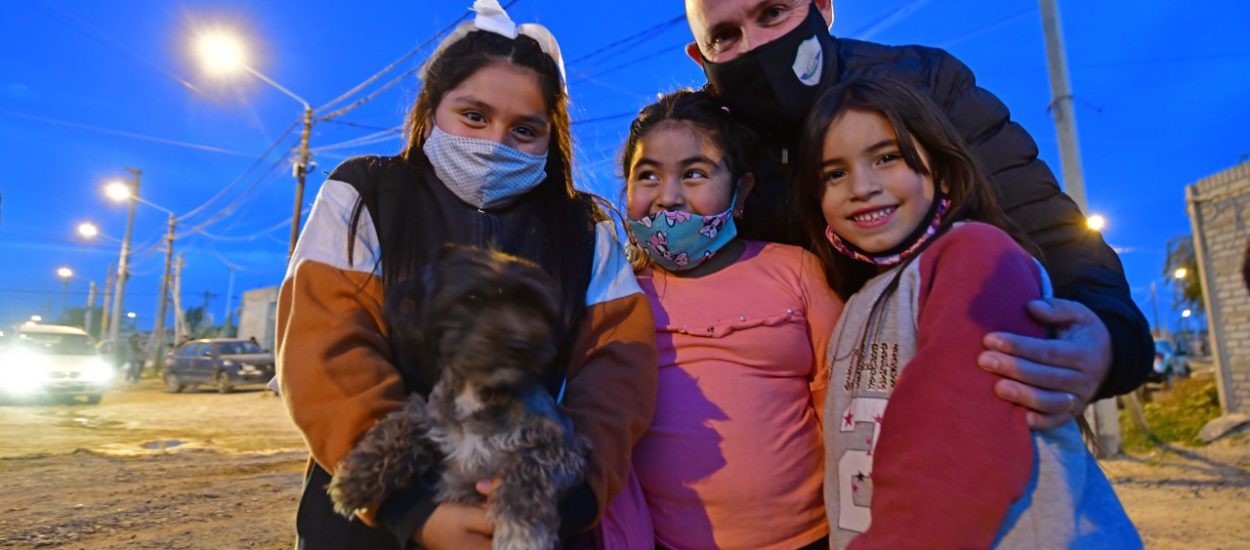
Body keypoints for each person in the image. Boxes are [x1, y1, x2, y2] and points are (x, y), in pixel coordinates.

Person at [275, 2, 657, 548]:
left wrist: (569, 495)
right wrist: (409, 505)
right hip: (373, 525)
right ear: (431, 110)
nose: (495, 144)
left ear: (552, 138)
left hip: (531, 517)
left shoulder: (585, 226)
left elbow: (618, 373)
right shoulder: (365, 194)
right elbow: (326, 352)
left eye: (525, 130)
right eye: (474, 116)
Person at [682, 0, 1153, 427]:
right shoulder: (705, 149)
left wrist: (1106, 336)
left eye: (773, 13)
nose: (758, 45)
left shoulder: (925, 86)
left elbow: (1044, 224)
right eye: (724, 36)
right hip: (806, 462)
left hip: (980, 417)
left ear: (822, 7)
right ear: (700, 57)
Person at [797, 77, 1139, 548]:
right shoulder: (858, 303)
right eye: (834, 174)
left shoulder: (974, 257)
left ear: (939, 169)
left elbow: (961, 451)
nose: (862, 186)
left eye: (887, 157)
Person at [601, 89, 842, 548]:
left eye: (694, 173)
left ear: (742, 190)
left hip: (816, 538)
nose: (668, 198)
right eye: (647, 175)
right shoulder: (619, 296)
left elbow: (841, 402)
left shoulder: (796, 270)